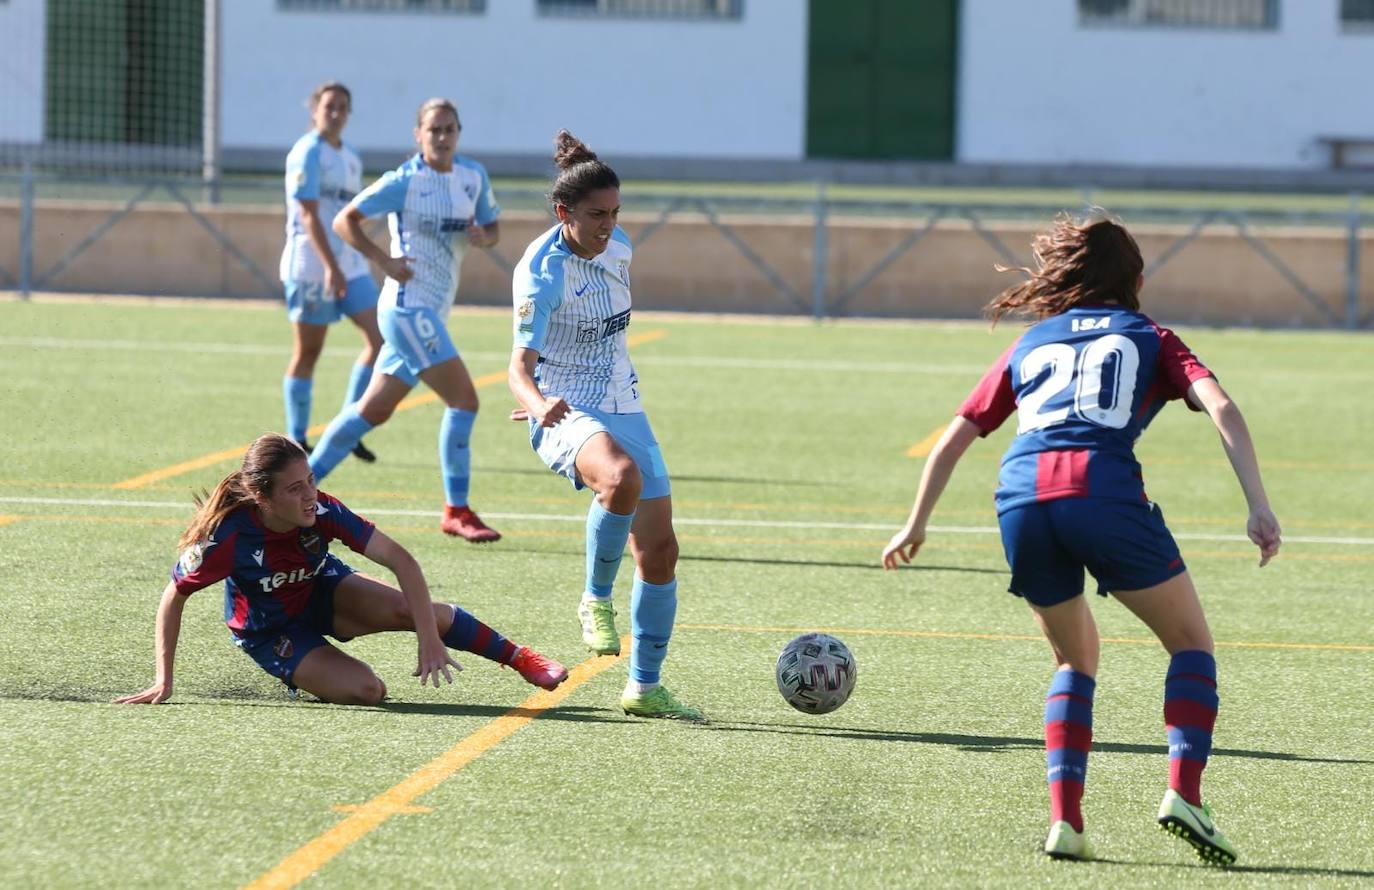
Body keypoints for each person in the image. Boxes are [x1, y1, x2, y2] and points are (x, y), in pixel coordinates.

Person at [880, 213, 1281, 865]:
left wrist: (916, 522)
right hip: (1100, 490)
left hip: (1020, 495)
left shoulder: (1033, 341)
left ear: (1066, 278)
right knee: (1189, 643)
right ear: (1136, 279)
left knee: (1074, 660)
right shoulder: (1151, 334)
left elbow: (956, 436)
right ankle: (1185, 794)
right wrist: (1258, 505)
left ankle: (1065, 822)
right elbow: (1222, 406)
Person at [115, 434, 566, 707]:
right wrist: (164, 679)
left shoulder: (323, 509)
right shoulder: (228, 537)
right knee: (369, 691)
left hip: (325, 592)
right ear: (262, 496)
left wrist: (428, 637)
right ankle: (307, 671)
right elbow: (175, 594)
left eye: (310, 480)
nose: (310, 494)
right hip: (271, 632)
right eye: (295, 488)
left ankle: (521, 658)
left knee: (420, 611)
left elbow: (402, 561)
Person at [506, 130, 702, 722]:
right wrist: (539, 406)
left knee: (661, 551)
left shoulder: (619, 248)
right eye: (596, 216)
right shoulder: (539, 273)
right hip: (565, 406)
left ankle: (645, 687)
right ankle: (594, 597)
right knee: (618, 478)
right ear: (564, 213)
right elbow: (517, 368)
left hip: (624, 400)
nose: (608, 226)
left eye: (615, 214)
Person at [305, 97, 502, 543]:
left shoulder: (473, 177)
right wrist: (384, 260)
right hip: (408, 309)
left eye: (450, 129)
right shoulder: (405, 181)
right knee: (464, 401)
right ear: (418, 135)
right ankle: (457, 510)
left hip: (429, 314)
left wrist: (483, 238)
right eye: (433, 130)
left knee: (372, 410)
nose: (442, 137)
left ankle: (301, 486)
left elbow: (492, 229)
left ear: (458, 132)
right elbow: (344, 221)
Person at [279, 81, 382, 463]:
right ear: (315, 111)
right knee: (309, 351)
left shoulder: (351, 156)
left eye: (342, 107)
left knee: (380, 337)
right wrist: (330, 267)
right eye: (329, 107)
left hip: (349, 265)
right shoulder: (306, 152)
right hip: (311, 265)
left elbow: (345, 213)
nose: (336, 113)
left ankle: (348, 425)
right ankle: (297, 436)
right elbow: (308, 215)